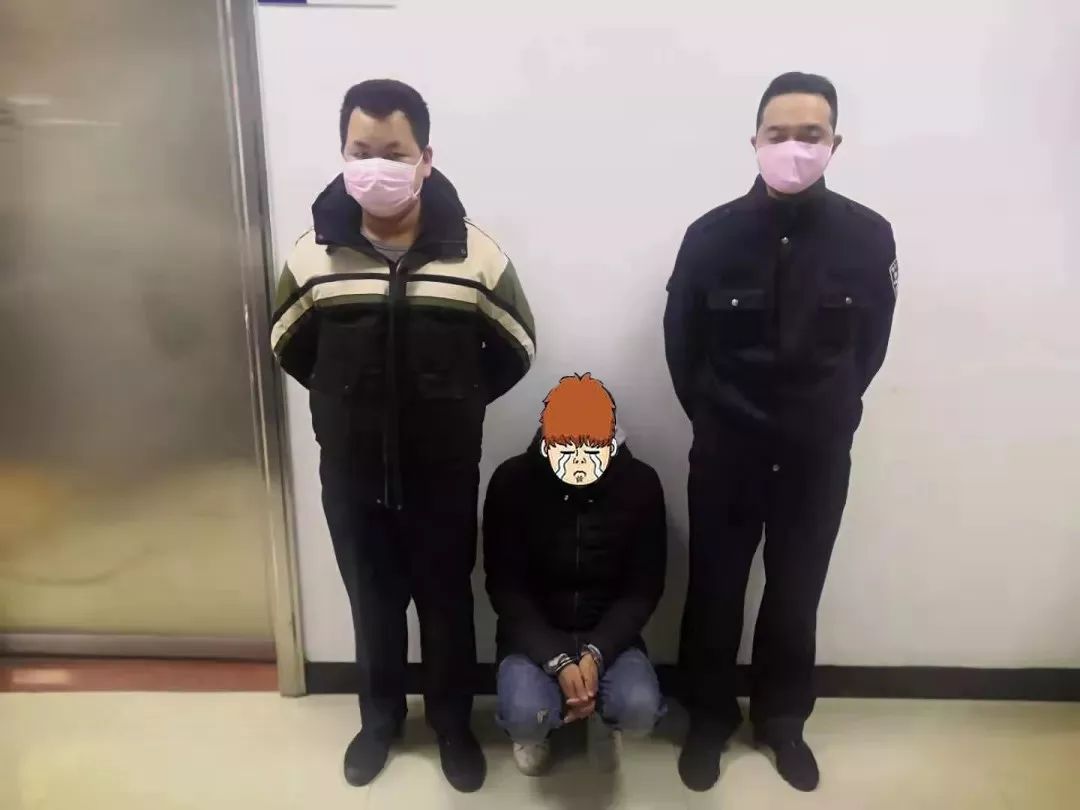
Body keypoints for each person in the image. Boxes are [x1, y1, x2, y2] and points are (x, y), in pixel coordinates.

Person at [270, 79, 535, 793]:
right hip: (352, 473)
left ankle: (452, 725)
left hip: (441, 474)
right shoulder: (312, 255)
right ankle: (380, 722)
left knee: (447, 605)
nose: (376, 167)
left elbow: (515, 348)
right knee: (373, 605)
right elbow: (290, 344)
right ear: (343, 154)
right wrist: (347, 406)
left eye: (393, 152)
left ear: (425, 158)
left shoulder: (476, 256)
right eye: (361, 152)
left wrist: (455, 406)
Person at [664, 72, 898, 793]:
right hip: (728, 448)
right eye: (779, 134)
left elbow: (870, 347)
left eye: (810, 135)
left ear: (835, 143)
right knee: (715, 589)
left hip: (815, 454)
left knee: (797, 591)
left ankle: (782, 720)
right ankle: (708, 719)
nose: (794, 148)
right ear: (755, 141)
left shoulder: (868, 236)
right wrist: (717, 416)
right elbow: (682, 346)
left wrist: (826, 411)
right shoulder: (711, 236)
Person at [484, 373, 667, 776]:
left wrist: (597, 653)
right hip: (533, 637)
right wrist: (558, 659)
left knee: (639, 708)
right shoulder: (512, 482)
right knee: (526, 715)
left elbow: (642, 589)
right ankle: (539, 729)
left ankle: (603, 719)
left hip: (609, 635)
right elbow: (506, 589)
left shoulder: (640, 484)